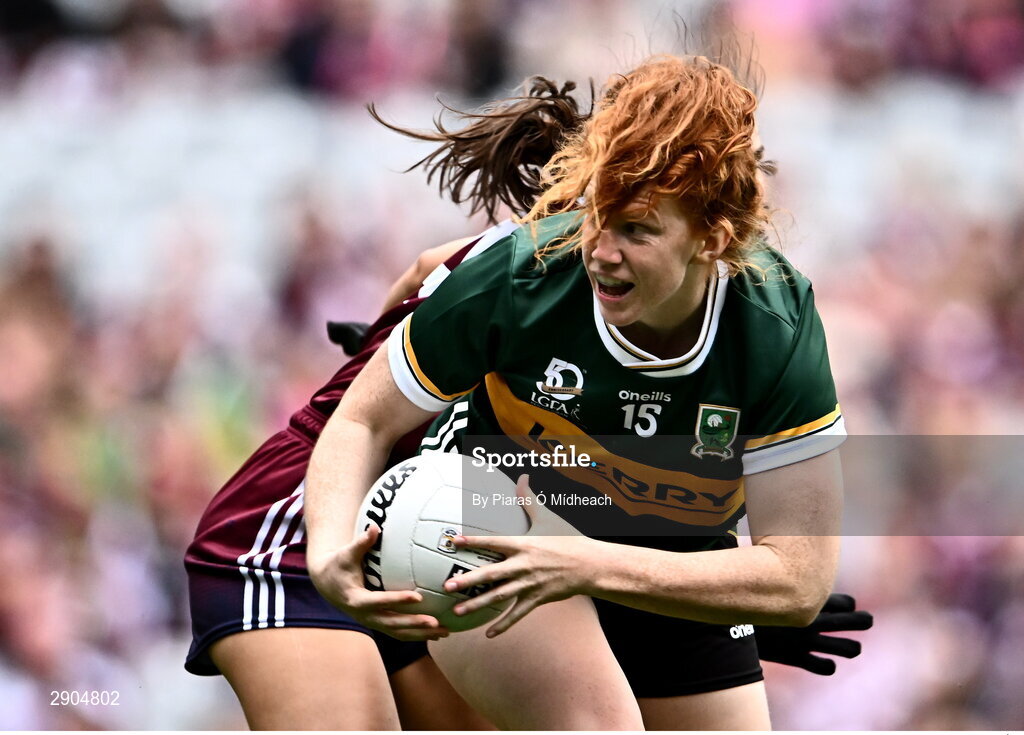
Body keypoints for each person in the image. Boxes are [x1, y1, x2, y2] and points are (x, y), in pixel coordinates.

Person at [186, 68, 869, 730]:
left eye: (633, 224)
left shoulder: (728, 304)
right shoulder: (527, 269)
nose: (598, 246)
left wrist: (726, 604)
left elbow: (429, 269)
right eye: (597, 206)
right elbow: (370, 401)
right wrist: (379, 340)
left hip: (472, 529)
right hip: (325, 518)